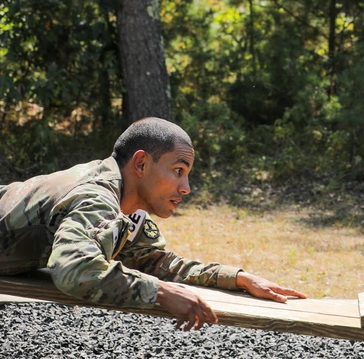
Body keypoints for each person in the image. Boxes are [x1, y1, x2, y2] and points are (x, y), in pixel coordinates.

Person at [0, 117, 307, 330]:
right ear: (141, 164)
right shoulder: (96, 198)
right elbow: (74, 271)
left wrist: (238, 278)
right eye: (178, 170)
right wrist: (159, 292)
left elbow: (157, 263)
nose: (186, 187)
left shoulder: (122, 205)